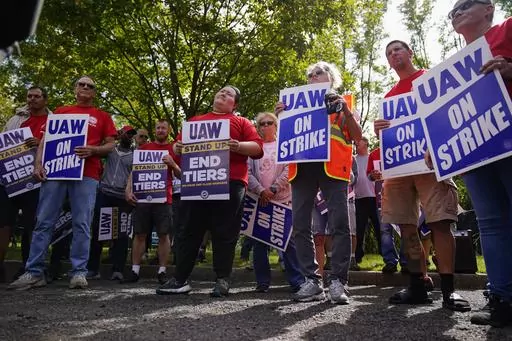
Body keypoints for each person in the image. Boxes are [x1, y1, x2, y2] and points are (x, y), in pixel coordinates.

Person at [374, 42, 470, 311]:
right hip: (400, 168)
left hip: (432, 162)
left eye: (398, 49)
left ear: (410, 53)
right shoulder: (389, 97)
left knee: (441, 222)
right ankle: (417, 284)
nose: (394, 54)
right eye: (389, 52)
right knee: (406, 225)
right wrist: (379, 128)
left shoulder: (430, 80)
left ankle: (449, 290)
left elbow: (447, 114)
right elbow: (387, 134)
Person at [9, 76, 118, 290]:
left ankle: (78, 272)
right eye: (81, 84)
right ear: (75, 89)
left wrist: (94, 150)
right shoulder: (60, 112)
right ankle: (34, 272)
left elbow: (111, 145)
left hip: (87, 174)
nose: (86, 87)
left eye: (90, 86)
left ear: (94, 93)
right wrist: (38, 164)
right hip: (56, 171)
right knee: (44, 222)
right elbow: (45, 139)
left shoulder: (102, 116)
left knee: (82, 224)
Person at [441, 0, 511, 327]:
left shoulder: (508, 30)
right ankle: (502, 298)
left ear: (489, 8)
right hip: (475, 153)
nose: (457, 11)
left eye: (465, 4)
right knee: (491, 223)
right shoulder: (453, 66)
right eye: (452, 10)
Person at [156, 85, 263, 297]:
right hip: (196, 182)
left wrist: (238, 146)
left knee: (225, 232)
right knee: (188, 231)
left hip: (230, 182)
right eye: (221, 91)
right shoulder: (194, 122)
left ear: (236, 104)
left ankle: (222, 280)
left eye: (229, 93)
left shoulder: (241, 122)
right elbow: (176, 152)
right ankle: (180, 279)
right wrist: (176, 148)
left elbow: (258, 148)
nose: (223, 94)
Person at [276, 61, 362, 304]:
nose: (313, 76)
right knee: (301, 226)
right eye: (310, 75)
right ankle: (311, 282)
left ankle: (338, 281)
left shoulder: (343, 103)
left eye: (319, 73)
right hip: (302, 170)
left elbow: (357, 137)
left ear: (331, 78)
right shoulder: (294, 105)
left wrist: (344, 110)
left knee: (339, 225)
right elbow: (285, 140)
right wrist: (281, 115)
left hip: (333, 170)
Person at [247, 112, 303, 293]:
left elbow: (290, 168)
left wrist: (273, 188)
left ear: (276, 125)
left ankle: (296, 281)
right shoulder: (254, 148)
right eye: (261, 124)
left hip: (283, 199)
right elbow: (246, 172)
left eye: (269, 123)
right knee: (259, 242)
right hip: (260, 199)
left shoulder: (284, 145)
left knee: (288, 241)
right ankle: (262, 282)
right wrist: (260, 190)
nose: (265, 126)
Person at [0, 86, 50, 281]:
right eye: (29, 96)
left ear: (45, 100)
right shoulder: (15, 120)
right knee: (3, 224)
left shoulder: (53, 121)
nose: (32, 100)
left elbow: (58, 149)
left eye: (37, 96)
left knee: (34, 225)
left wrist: (40, 143)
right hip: (10, 179)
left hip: (37, 181)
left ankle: (29, 268)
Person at [123, 119, 181, 285]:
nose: (160, 130)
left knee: (164, 235)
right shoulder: (143, 149)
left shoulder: (172, 149)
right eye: (158, 127)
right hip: (143, 198)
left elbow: (180, 175)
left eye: (164, 128)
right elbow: (134, 172)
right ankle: (134, 270)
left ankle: (162, 271)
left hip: (164, 199)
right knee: (140, 234)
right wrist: (128, 190)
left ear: (168, 131)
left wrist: (173, 164)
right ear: (154, 130)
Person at [86, 125, 136, 281]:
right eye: (127, 133)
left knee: (121, 234)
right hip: (105, 193)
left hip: (122, 197)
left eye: (132, 135)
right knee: (98, 232)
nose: (130, 136)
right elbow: (96, 152)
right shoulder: (110, 150)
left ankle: (118, 269)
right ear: (120, 134)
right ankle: (93, 268)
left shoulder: (136, 155)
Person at [353, 137, 382, 265]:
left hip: (375, 198)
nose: (356, 144)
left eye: (358, 143)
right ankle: (358, 257)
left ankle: (386, 256)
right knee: (359, 229)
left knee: (380, 228)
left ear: (365, 144)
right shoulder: (353, 159)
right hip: (359, 198)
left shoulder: (373, 157)